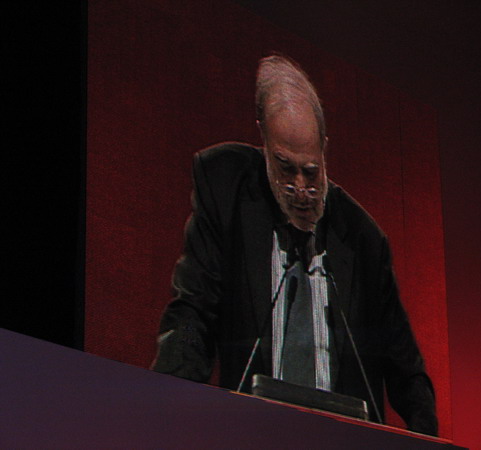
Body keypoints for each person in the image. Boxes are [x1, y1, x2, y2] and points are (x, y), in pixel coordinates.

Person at [152, 54, 438, 436]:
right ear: (264, 140)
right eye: (285, 168)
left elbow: (407, 370)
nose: (301, 190)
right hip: (251, 435)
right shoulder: (226, 188)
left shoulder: (364, 240)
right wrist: (169, 404)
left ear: (324, 148)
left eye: (311, 172)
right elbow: (192, 313)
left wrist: (426, 438)